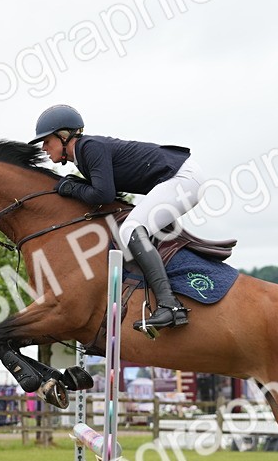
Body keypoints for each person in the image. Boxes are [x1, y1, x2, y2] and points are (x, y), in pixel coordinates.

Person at [31, 104, 208, 333]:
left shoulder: (89, 148)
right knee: (131, 227)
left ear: (64, 136)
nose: (44, 148)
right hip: (178, 178)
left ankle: (169, 305)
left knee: (130, 228)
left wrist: (71, 188)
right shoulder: (83, 156)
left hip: (183, 178)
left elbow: (103, 195)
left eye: (47, 141)